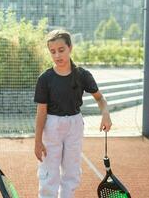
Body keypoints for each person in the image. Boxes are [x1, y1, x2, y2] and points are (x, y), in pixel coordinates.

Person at [34, 29, 112, 198]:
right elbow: (41, 112)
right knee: (49, 170)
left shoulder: (82, 75)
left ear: (70, 48)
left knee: (72, 170)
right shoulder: (45, 79)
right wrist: (37, 140)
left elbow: (100, 99)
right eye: (52, 52)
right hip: (52, 125)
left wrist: (105, 114)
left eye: (61, 50)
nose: (57, 55)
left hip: (75, 125)